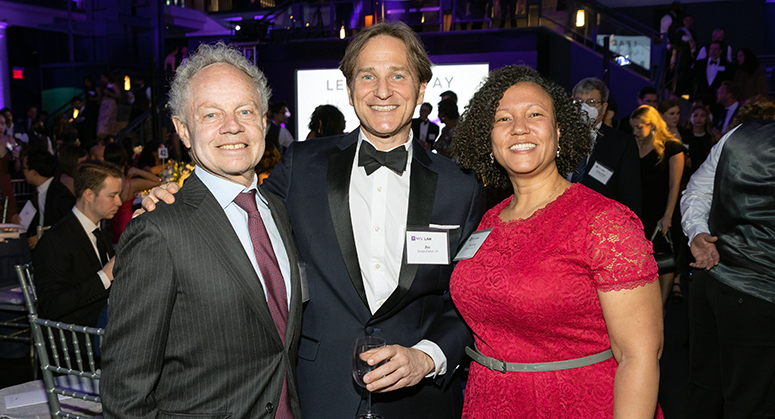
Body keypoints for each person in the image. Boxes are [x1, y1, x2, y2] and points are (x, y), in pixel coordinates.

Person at [141, 21, 485, 419]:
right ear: (350, 88)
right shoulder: (302, 166)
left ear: (421, 88)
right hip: (317, 393)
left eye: (398, 75)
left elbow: (470, 301)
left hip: (420, 401)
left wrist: (429, 357)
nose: (383, 91)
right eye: (367, 76)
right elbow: (237, 215)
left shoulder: (460, 186)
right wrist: (176, 200)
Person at [101, 42, 303, 418]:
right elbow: (125, 394)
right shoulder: (159, 230)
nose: (232, 126)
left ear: (262, 122)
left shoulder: (277, 210)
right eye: (211, 114)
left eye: (245, 110)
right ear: (183, 130)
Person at [451, 65, 663, 418]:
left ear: (560, 131)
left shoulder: (605, 223)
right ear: (488, 139)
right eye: (503, 119)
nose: (519, 127)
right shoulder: (488, 220)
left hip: (575, 403)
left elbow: (638, 356)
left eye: (535, 114)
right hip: (488, 402)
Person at [680, 120, 775, 418]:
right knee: (750, 403)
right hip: (760, 295)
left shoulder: (740, 133)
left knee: (705, 390)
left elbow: (695, 191)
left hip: (711, 281)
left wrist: (696, 233)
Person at [32, 161, 120, 327]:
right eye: (112, 195)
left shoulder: (99, 231)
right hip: (79, 337)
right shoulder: (55, 240)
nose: (119, 202)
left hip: (105, 326)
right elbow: (52, 305)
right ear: (88, 195)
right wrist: (104, 276)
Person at [630, 105, 685, 306]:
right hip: (638, 211)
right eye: (633, 128)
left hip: (662, 212)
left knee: (663, 263)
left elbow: (675, 185)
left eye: (638, 127)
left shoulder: (672, 147)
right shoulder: (632, 145)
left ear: (652, 126)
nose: (634, 131)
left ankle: (660, 311)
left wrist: (668, 215)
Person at [571, 77, 642, 218]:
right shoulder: (559, 136)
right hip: (562, 218)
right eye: (578, 102)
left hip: (601, 222)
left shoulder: (621, 143)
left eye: (591, 102)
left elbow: (630, 194)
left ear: (603, 108)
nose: (584, 108)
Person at [103, 142, 160, 244]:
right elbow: (157, 181)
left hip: (112, 227)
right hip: (127, 225)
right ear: (125, 160)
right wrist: (138, 171)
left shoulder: (104, 182)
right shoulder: (129, 183)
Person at [24, 150, 76, 249]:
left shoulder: (60, 194)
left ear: (34, 172)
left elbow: (67, 225)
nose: (23, 172)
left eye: (25, 168)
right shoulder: (36, 191)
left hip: (56, 247)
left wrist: (42, 236)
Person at [97, 72, 121, 139]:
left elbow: (118, 95)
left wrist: (109, 93)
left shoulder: (113, 85)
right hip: (104, 103)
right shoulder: (103, 86)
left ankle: (109, 134)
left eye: (103, 78)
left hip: (110, 103)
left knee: (108, 118)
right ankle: (102, 134)